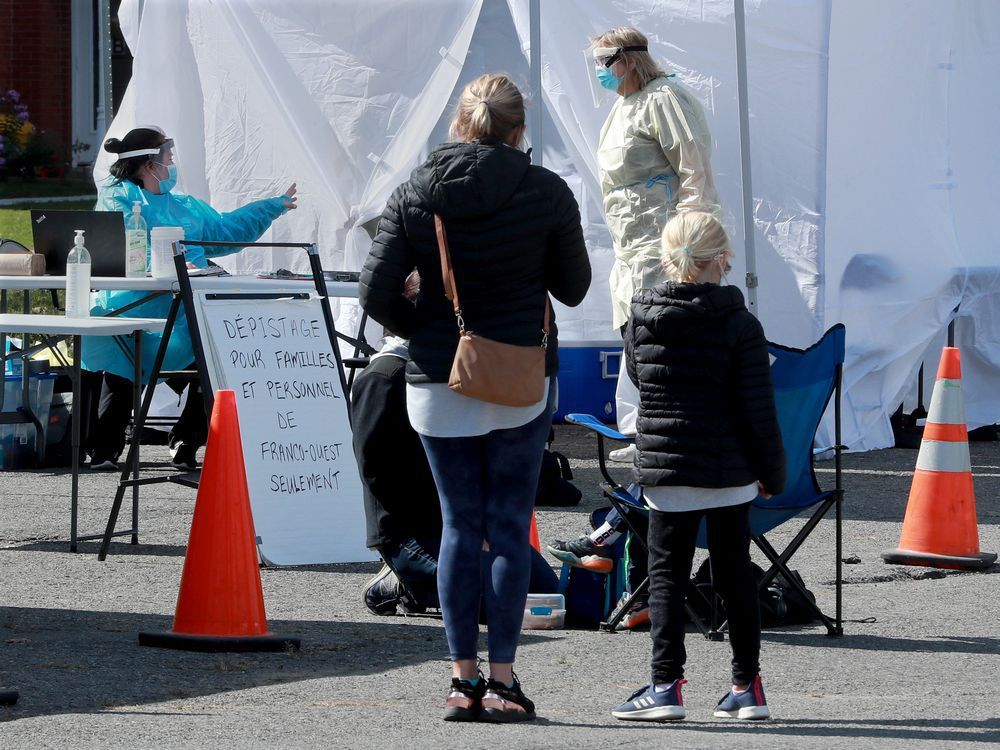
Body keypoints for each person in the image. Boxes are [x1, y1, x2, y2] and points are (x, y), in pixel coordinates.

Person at [360, 73, 590, 723]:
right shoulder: (546, 191)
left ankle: (461, 682)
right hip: (518, 374)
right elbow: (573, 288)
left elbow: (376, 296)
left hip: (438, 376)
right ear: (519, 131)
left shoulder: (416, 192)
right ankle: (504, 681)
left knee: (459, 525)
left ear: (460, 125)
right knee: (508, 528)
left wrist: (426, 331)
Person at [548, 25, 723, 623]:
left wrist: (692, 262)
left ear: (625, 60)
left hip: (665, 266)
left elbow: (697, 180)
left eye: (601, 62)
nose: (596, 71)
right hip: (634, 267)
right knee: (640, 408)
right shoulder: (625, 106)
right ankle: (630, 548)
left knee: (660, 408)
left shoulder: (667, 100)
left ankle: (634, 551)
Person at [610, 211, 785, 723]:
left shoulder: (640, 318)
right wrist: (772, 473)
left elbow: (642, 384)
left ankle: (665, 686)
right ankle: (746, 687)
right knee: (735, 574)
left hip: (668, 468)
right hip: (729, 471)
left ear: (667, 258)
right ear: (724, 259)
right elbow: (759, 411)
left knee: (667, 574)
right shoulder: (742, 324)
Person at [83, 126, 296, 470]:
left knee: (216, 357)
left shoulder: (183, 205)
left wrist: (272, 207)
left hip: (185, 302)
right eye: (166, 154)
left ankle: (185, 439)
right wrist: (169, 270)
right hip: (134, 300)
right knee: (124, 364)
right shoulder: (119, 198)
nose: (171, 160)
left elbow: (225, 231)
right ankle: (105, 450)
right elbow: (126, 247)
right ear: (149, 164)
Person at [352, 325, 559, 616]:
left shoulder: (455, 367)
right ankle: (402, 582)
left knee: (549, 595)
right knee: (499, 604)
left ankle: (424, 581)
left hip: (465, 520)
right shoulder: (384, 376)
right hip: (409, 531)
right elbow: (374, 469)